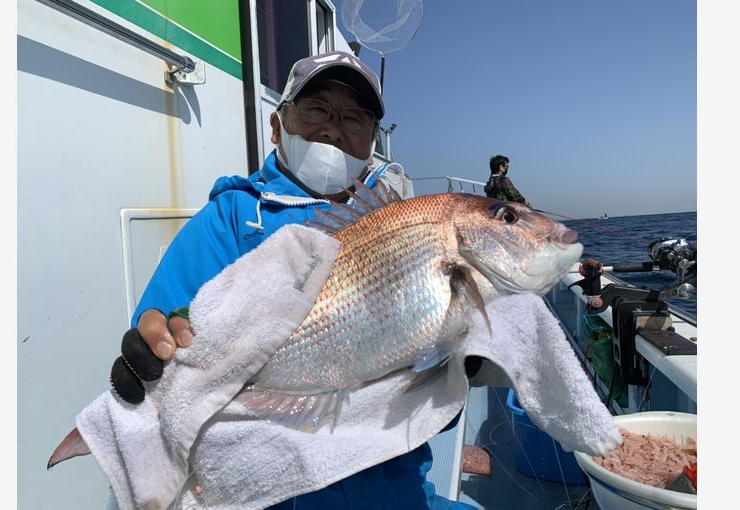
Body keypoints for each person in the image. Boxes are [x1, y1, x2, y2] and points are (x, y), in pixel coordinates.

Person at [109, 50, 475, 510]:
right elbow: (174, 325)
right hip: (265, 495)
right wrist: (155, 347)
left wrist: (462, 366)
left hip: (392, 489)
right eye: (317, 109)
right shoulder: (229, 219)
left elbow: (429, 411)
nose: (334, 129)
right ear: (278, 124)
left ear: (372, 140)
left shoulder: (403, 223)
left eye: (354, 117)